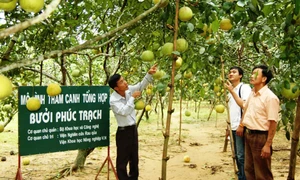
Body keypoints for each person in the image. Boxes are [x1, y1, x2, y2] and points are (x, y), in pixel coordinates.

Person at [108, 64, 157, 180]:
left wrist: (149, 74)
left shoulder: (128, 90)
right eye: (121, 82)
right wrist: (132, 98)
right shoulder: (113, 100)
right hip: (123, 132)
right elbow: (124, 111)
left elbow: (140, 86)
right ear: (116, 88)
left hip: (133, 129)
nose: (125, 83)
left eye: (124, 80)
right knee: (122, 161)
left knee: (134, 158)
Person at [236, 65, 280, 180]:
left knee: (262, 173)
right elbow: (245, 108)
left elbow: (273, 122)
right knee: (249, 170)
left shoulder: (270, 98)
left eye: (255, 74)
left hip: (260, 137)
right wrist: (242, 125)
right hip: (249, 134)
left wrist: (267, 144)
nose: (251, 76)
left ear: (264, 79)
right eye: (251, 73)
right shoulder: (252, 93)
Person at [225, 66, 251, 180]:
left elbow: (245, 106)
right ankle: (241, 176)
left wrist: (241, 124)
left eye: (234, 72)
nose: (231, 74)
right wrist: (228, 128)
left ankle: (244, 178)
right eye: (230, 72)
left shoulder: (244, 88)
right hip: (233, 128)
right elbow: (232, 111)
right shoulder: (231, 91)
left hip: (241, 127)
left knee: (242, 156)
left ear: (240, 75)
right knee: (237, 155)